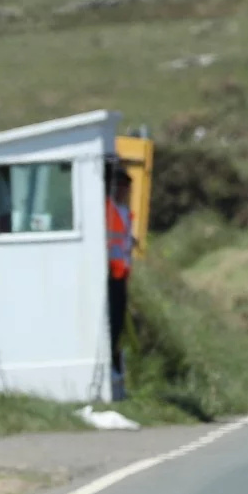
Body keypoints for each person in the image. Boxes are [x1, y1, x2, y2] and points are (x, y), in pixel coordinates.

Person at [106, 167, 135, 401]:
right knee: (112, 324)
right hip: (110, 275)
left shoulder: (124, 212)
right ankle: (111, 365)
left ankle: (116, 366)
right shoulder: (109, 209)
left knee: (118, 324)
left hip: (121, 274)